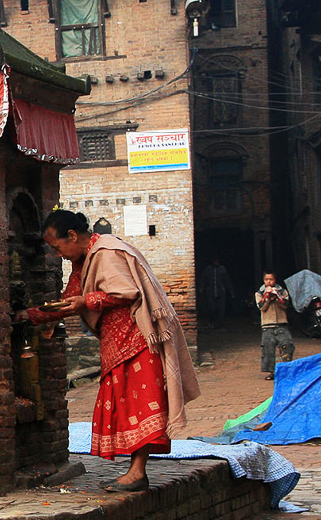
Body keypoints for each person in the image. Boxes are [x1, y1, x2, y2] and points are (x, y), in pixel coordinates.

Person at [18, 210, 199, 492]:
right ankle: (135, 470)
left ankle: (138, 472)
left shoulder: (107, 252)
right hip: (115, 343)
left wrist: (86, 301)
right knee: (125, 404)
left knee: (141, 406)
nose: (58, 255)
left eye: (58, 247)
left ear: (73, 236)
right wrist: (30, 315)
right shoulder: (84, 260)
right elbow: (68, 302)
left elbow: (126, 293)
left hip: (137, 339)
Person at [255, 272, 295, 380]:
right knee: (268, 349)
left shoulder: (283, 292)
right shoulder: (259, 293)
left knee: (287, 346)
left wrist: (277, 297)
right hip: (267, 325)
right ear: (263, 281)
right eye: (266, 279)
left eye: (271, 279)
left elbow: (285, 306)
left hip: (282, 324)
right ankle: (272, 372)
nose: (269, 282)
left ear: (275, 280)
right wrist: (267, 298)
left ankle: (287, 369)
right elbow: (262, 308)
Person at [202, 259, 234, 330]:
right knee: (211, 308)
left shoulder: (222, 269)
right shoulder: (208, 269)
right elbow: (204, 280)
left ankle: (219, 324)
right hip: (211, 292)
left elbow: (227, 281)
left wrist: (231, 291)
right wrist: (202, 288)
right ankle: (212, 322)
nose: (216, 262)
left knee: (221, 309)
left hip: (221, 292)